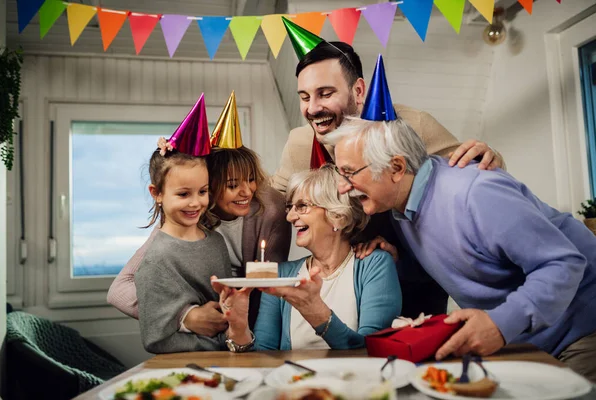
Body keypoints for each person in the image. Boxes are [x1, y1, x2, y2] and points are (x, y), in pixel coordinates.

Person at [328, 115, 596, 382]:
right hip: (526, 341)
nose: (342, 187)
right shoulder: (402, 206)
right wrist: (400, 261)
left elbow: (564, 264)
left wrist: (500, 324)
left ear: (397, 167)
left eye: (349, 173)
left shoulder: (476, 194)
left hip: (582, 330)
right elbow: (463, 260)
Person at [271, 20, 507, 317]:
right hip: (345, 289)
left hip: (414, 281)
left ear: (358, 90)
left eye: (326, 93)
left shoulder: (414, 125)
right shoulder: (300, 143)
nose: (313, 108)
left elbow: (471, 175)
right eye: (305, 97)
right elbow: (273, 202)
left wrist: (491, 156)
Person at [108, 92, 291, 332]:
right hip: (201, 335)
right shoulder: (185, 216)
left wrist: (254, 343)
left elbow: (270, 291)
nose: (247, 192)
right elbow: (119, 289)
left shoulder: (270, 210)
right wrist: (184, 317)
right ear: (209, 186)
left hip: (248, 330)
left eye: (252, 179)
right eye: (233, 185)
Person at [212, 164, 402, 351]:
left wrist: (316, 312)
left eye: (302, 206)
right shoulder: (283, 274)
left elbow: (370, 349)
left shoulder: (375, 264)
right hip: (296, 381)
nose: (290, 217)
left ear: (337, 214)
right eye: (290, 207)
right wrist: (239, 329)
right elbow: (264, 354)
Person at [134, 96, 233, 352]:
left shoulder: (216, 242)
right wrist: (192, 324)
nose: (195, 203)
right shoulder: (157, 258)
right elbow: (155, 338)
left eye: (203, 191)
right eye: (183, 194)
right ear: (156, 193)